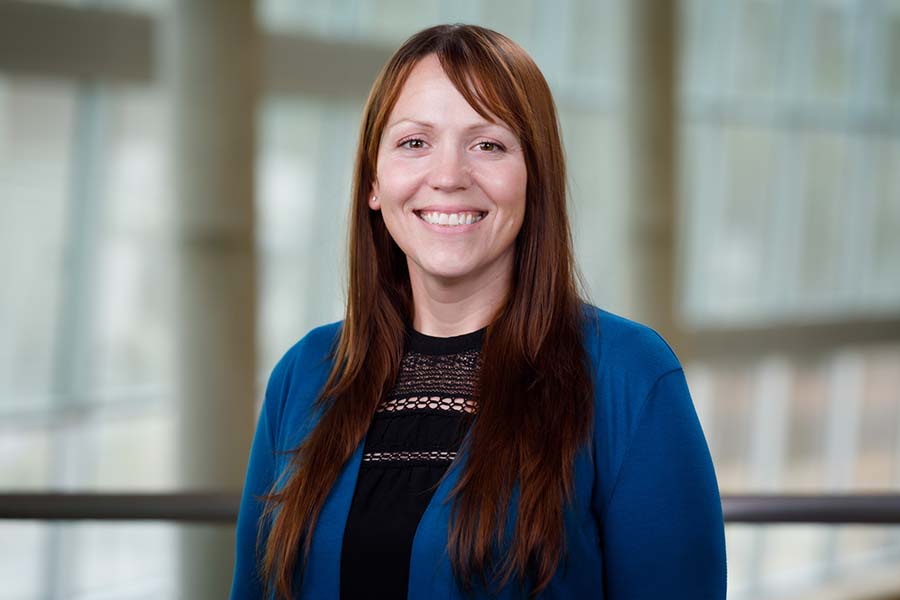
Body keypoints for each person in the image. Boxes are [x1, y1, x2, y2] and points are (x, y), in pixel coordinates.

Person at [230, 23, 727, 600]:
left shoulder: (628, 375)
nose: (448, 177)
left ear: (534, 177)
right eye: (415, 142)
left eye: (487, 144)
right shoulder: (306, 372)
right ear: (374, 180)